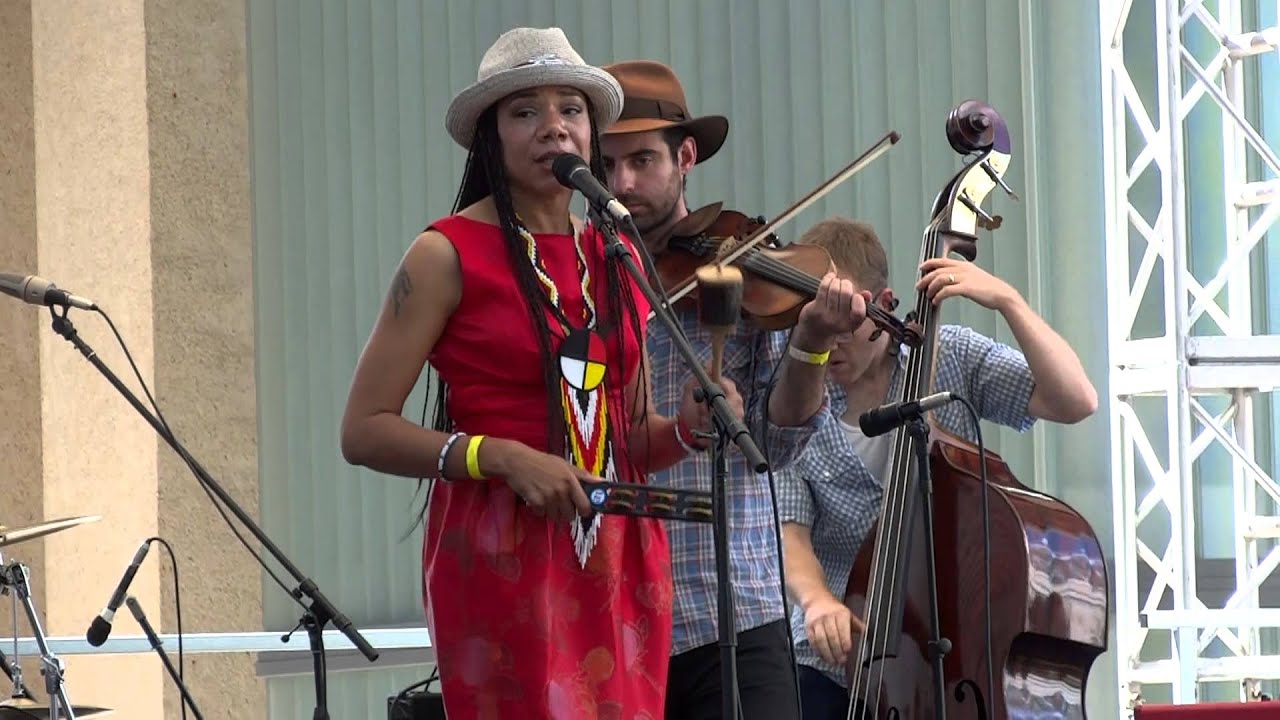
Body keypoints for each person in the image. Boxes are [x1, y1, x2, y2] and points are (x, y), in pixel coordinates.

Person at [340, 28, 748, 719]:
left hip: (616, 554)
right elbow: (363, 431)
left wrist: (685, 429)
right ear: (491, 137)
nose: (553, 127)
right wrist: (498, 456)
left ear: (592, 133)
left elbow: (627, 443)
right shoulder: (443, 254)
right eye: (525, 112)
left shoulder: (616, 255)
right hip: (502, 548)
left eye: (571, 110)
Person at [599, 60, 869, 719]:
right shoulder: (582, 281)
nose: (621, 184)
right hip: (612, 614)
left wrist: (811, 340)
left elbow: (778, 443)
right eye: (605, 166)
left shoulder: (739, 266)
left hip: (732, 611)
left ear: (686, 155)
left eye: (640, 160)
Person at [775, 217, 1099, 719]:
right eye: (818, 321)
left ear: (883, 304)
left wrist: (1008, 301)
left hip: (946, 649)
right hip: (836, 652)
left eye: (848, 324)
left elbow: (1075, 399)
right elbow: (790, 531)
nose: (831, 341)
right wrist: (817, 601)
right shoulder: (795, 395)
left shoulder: (950, 359)